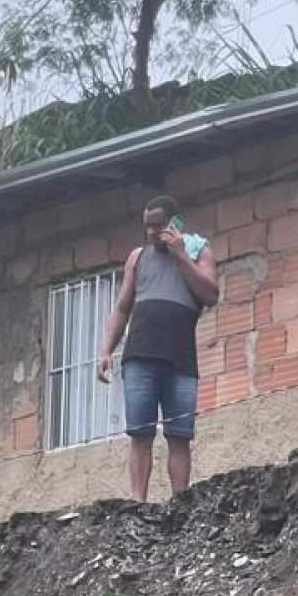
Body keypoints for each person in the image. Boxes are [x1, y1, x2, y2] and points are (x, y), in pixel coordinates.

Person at [97, 195, 219, 503]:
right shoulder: (138, 257)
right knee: (140, 433)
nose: (152, 233)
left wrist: (181, 255)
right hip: (140, 356)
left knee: (179, 436)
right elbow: (122, 308)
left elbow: (210, 293)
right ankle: (138, 502)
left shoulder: (198, 250)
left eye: (158, 226)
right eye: (147, 227)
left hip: (180, 360)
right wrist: (105, 350)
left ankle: (181, 502)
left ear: (175, 224)